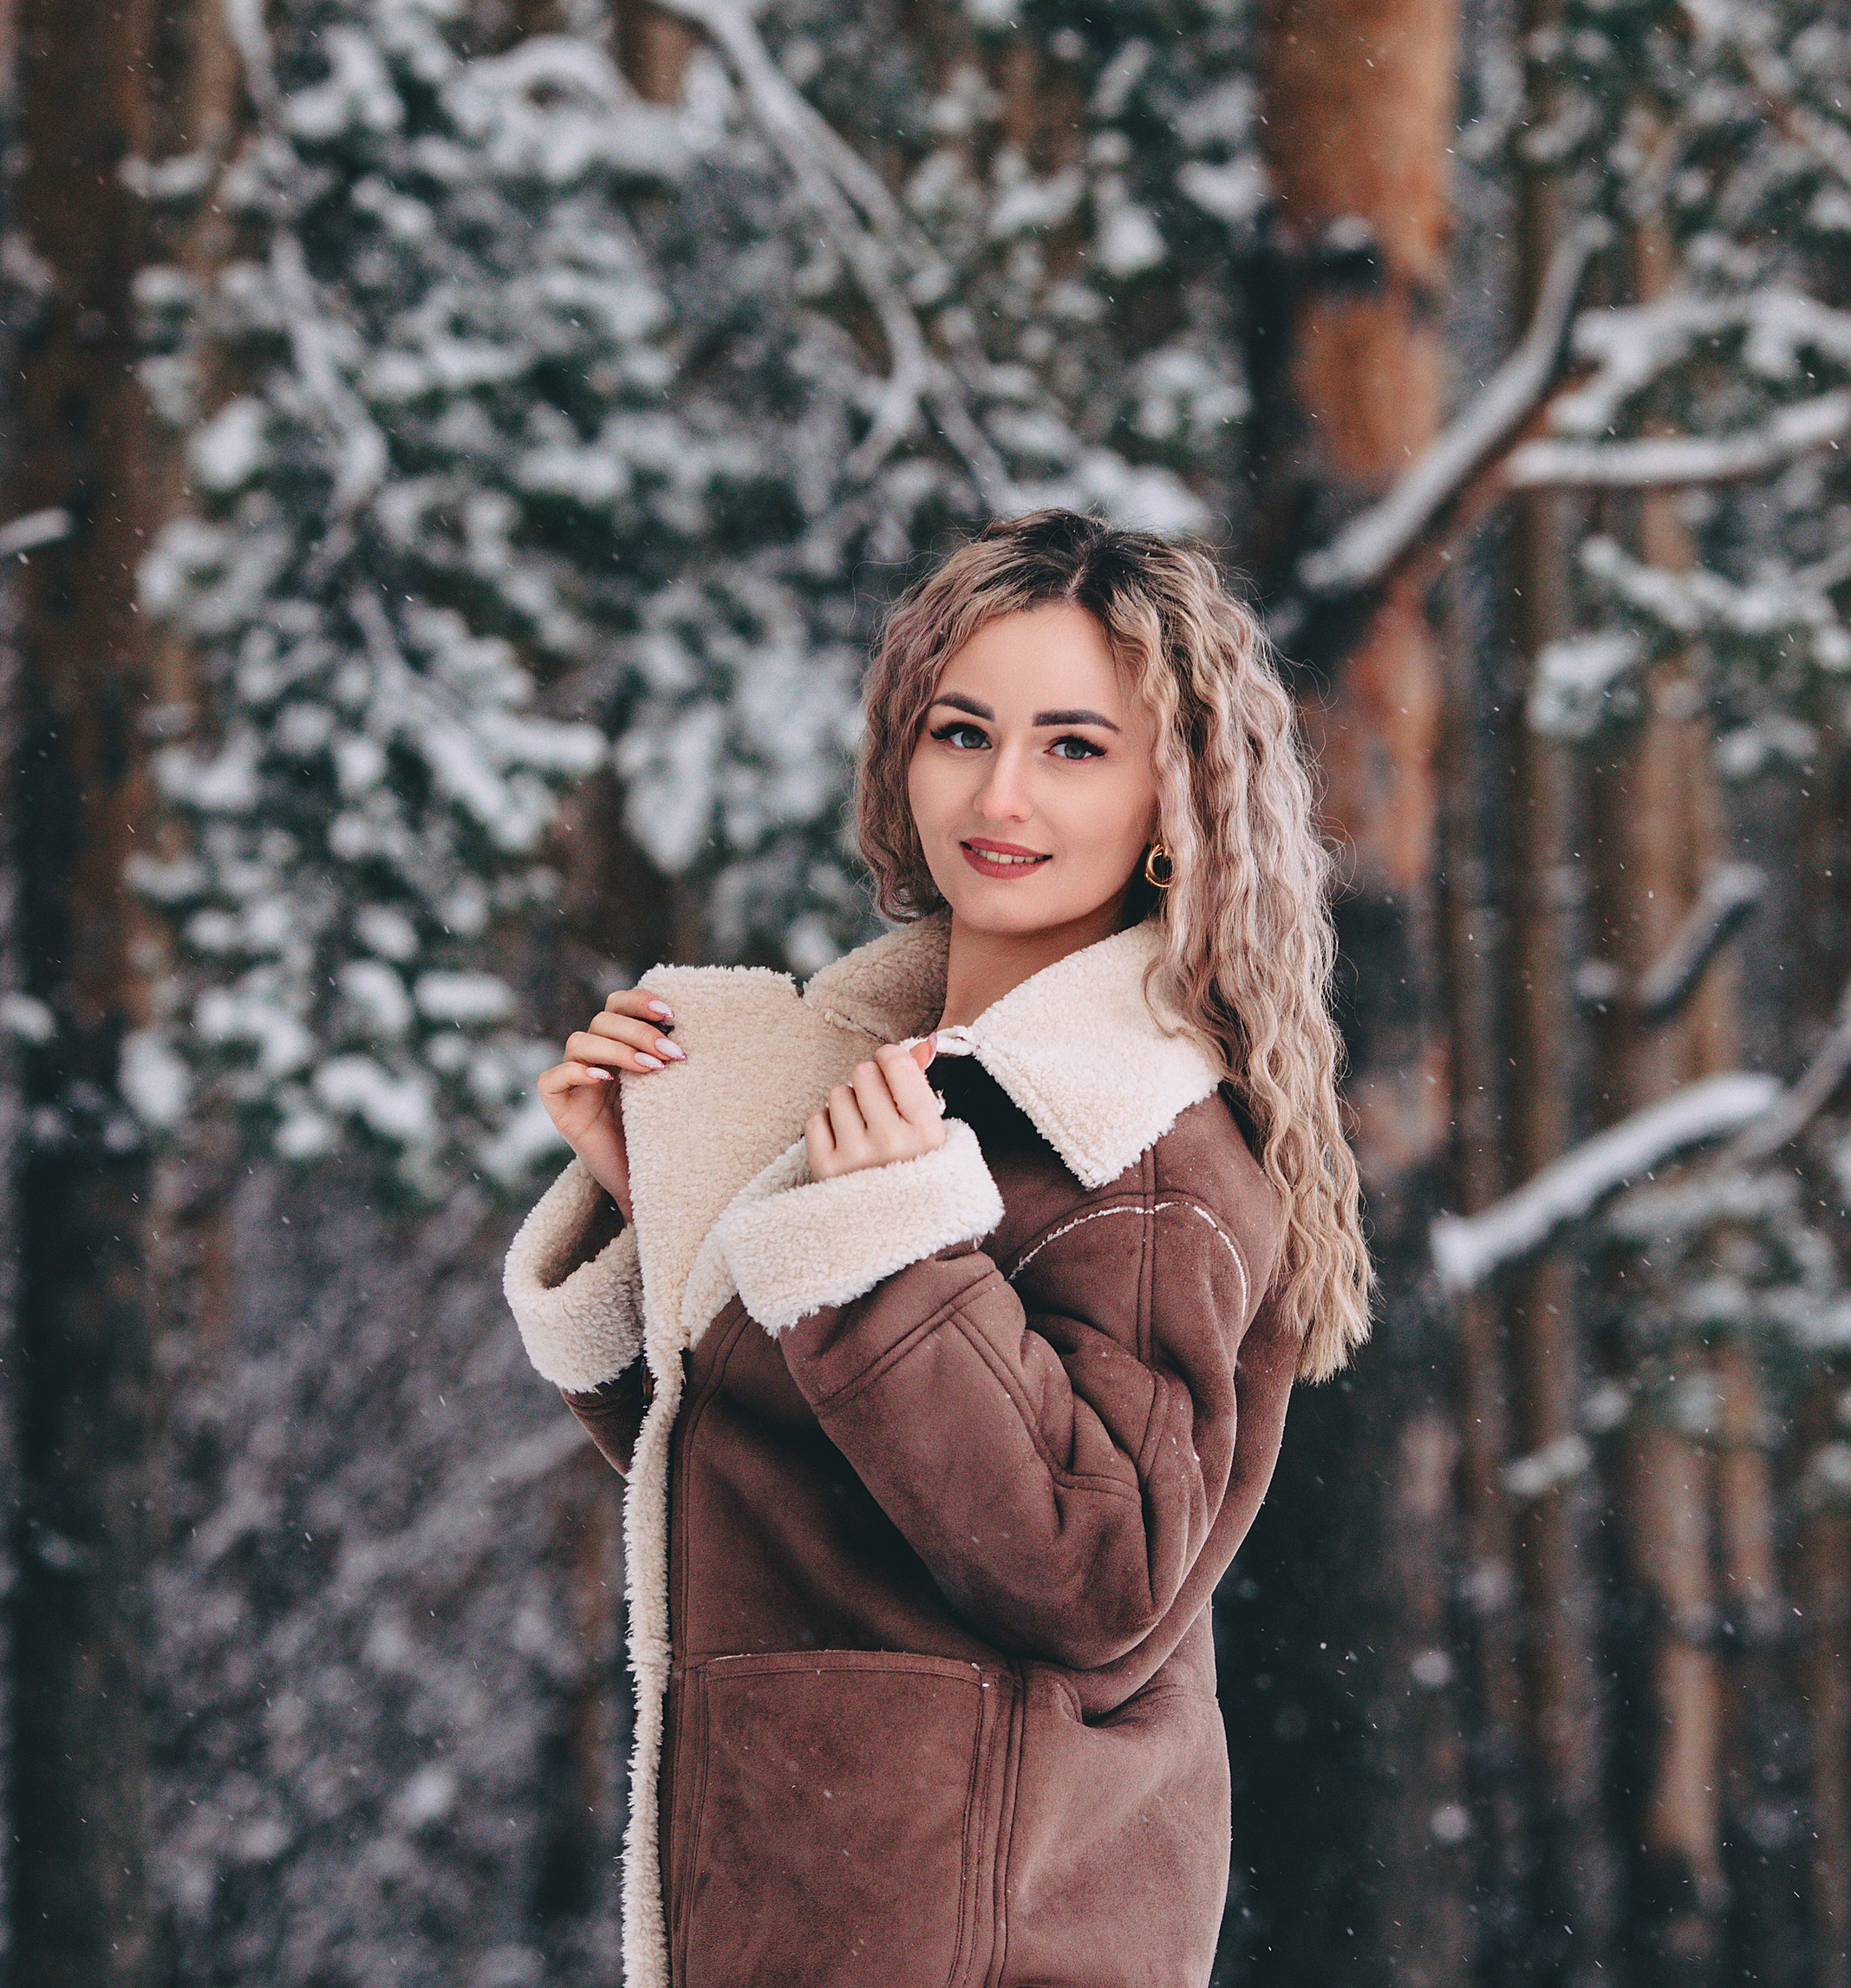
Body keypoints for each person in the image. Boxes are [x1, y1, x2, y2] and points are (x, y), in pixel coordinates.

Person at [503, 509, 1369, 1988]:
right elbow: (772, 1498)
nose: (1002, 791)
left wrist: (894, 1250)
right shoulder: (889, 1091)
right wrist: (663, 1204)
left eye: (1075, 746)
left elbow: (1102, 1574)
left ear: (1177, 796)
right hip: (814, 1916)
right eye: (962, 731)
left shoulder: (1137, 1149)